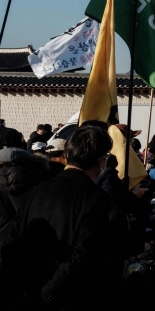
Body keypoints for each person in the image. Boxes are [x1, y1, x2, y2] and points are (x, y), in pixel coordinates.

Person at [6, 123, 116, 309]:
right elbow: (83, 256)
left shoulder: (34, 192)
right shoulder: (96, 198)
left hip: (27, 292)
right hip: (64, 298)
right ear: (100, 161)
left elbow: (12, 245)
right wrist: (46, 296)